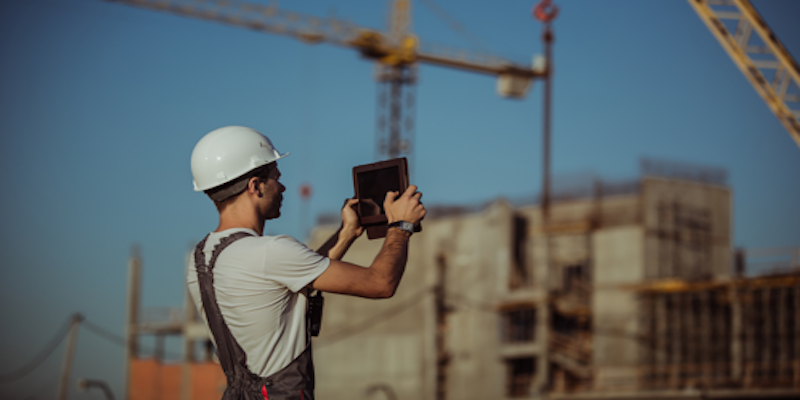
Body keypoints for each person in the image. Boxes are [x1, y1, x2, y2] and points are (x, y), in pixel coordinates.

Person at [186, 125, 426, 400]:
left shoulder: (201, 258)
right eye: (276, 177)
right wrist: (401, 225)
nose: (283, 186)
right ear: (255, 186)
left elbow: (289, 283)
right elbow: (381, 283)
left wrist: (346, 233)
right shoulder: (271, 252)